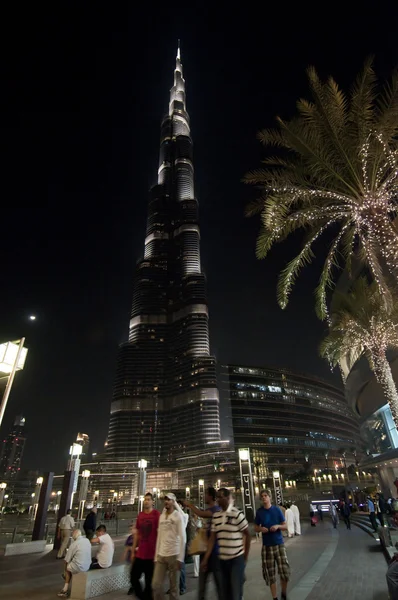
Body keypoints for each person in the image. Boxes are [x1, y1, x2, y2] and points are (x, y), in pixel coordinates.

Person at [202, 488, 250, 600]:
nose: (217, 499)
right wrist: (206, 558)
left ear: (228, 498)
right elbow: (212, 539)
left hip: (236, 559)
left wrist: (245, 557)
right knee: (225, 593)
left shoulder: (237, 514)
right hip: (222, 560)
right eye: (217, 497)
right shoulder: (216, 516)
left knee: (235, 593)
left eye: (220, 497)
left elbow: (247, 534)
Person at [184, 486, 222, 600]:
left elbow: (201, 514)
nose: (204, 496)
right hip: (205, 552)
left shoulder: (216, 510)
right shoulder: (211, 510)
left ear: (210, 496)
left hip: (215, 553)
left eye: (205, 494)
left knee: (218, 584)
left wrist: (190, 505)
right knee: (202, 586)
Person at [255, 489, 290, 600]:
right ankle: (274, 597)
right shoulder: (259, 512)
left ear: (270, 497)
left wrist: (277, 526)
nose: (264, 498)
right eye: (262, 496)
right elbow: (255, 527)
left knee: (284, 571)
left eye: (266, 496)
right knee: (270, 573)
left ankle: (284, 593)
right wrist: (261, 529)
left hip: (279, 544)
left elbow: (285, 526)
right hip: (267, 546)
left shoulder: (277, 510)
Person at [152, 492, 186, 600]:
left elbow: (183, 537)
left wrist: (180, 558)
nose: (166, 501)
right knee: (156, 585)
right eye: (165, 499)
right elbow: (159, 536)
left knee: (174, 589)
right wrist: (156, 556)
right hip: (161, 555)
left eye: (169, 499)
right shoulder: (161, 516)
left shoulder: (178, 516)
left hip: (174, 555)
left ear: (173, 502)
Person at [130, 492, 160, 599]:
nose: (146, 501)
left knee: (149, 584)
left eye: (148, 499)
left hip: (151, 555)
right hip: (140, 553)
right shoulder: (141, 515)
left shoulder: (156, 515)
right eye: (145, 499)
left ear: (152, 502)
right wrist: (133, 551)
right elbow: (137, 534)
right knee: (133, 578)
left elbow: (160, 533)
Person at [57, 529, 91, 598]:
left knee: (68, 568)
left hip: (79, 567)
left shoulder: (74, 544)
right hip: (87, 565)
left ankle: (65, 589)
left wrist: (65, 569)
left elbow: (66, 560)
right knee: (73, 563)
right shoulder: (87, 540)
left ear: (74, 536)